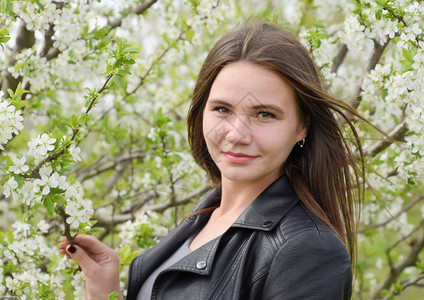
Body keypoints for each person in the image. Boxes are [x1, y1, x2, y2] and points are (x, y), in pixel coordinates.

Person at [59, 22, 366, 299]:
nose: (236, 134)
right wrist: (105, 294)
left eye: (264, 114)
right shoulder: (201, 221)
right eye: (222, 109)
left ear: (303, 126)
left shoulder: (308, 250)